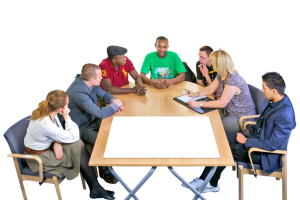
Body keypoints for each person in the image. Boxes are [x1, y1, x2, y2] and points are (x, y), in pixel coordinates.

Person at [183, 72, 296, 193]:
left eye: (264, 87)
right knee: (220, 139)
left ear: (274, 91)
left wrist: (247, 140)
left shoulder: (285, 114)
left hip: (262, 155)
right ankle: (209, 181)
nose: (262, 90)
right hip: (255, 138)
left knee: (224, 150)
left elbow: (271, 145)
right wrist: (248, 132)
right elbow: (263, 124)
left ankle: (209, 182)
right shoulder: (276, 101)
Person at [24, 90, 115, 199]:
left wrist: (56, 141)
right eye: (67, 104)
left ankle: (95, 188)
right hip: (38, 159)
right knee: (78, 147)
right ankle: (95, 188)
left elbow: (59, 131)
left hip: (48, 147)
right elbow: (74, 136)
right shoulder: (46, 123)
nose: (69, 106)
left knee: (79, 145)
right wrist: (66, 116)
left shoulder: (50, 112)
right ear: (60, 109)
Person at [66, 63, 124, 184]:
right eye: (99, 76)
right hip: (80, 127)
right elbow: (100, 113)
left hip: (91, 119)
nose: (102, 77)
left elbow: (101, 93)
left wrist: (113, 100)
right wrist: (115, 105)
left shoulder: (89, 83)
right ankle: (104, 171)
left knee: (112, 127)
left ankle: (113, 159)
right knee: (101, 141)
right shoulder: (79, 92)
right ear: (92, 79)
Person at [185, 49, 256, 132]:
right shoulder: (222, 75)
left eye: (212, 62)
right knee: (206, 115)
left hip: (242, 118)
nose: (211, 64)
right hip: (230, 112)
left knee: (211, 124)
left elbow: (222, 103)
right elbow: (211, 88)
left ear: (219, 65)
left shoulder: (233, 79)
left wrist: (199, 104)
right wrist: (195, 94)